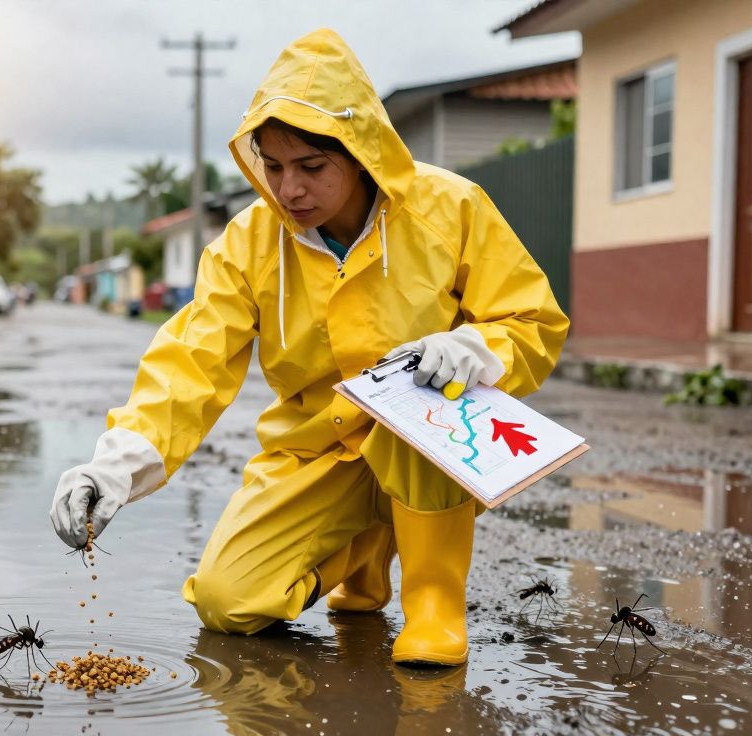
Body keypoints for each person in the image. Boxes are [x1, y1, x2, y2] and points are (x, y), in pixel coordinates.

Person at [49, 28, 568, 667]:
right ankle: (366, 546)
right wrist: (115, 468)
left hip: (424, 445)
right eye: (272, 166)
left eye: (312, 167)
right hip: (317, 447)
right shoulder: (248, 244)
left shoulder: (451, 209)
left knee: (423, 416)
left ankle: (433, 603)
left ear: (359, 152)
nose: (288, 189)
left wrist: (479, 347)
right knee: (227, 602)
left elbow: (532, 320)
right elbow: (190, 363)